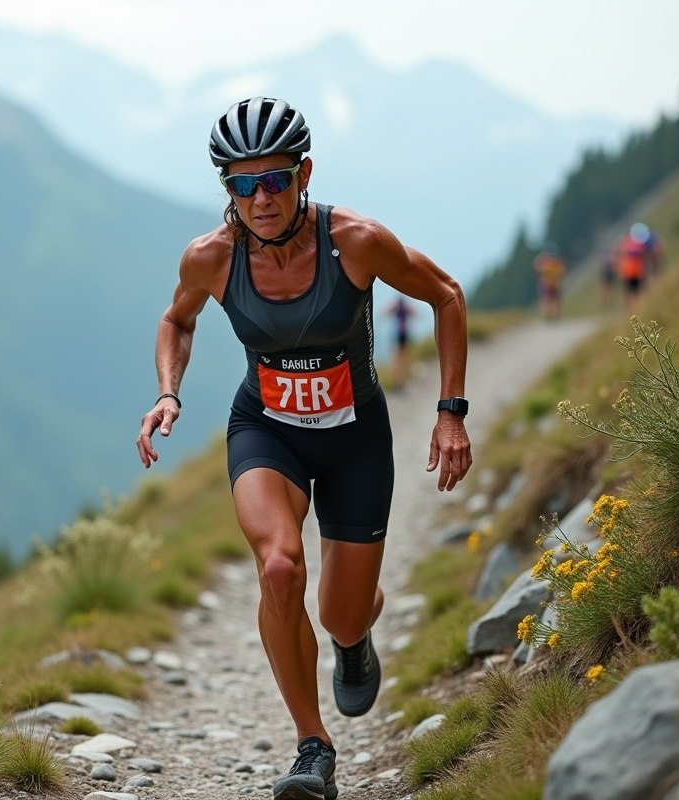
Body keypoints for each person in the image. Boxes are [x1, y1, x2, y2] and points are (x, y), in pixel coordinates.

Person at [135, 97, 472, 800]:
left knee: (340, 612)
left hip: (355, 442)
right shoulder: (210, 259)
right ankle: (312, 748)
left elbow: (445, 295)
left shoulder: (355, 241)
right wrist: (169, 392)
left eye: (275, 180)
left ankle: (355, 637)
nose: (260, 198)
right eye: (241, 183)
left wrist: (450, 413)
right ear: (225, 188)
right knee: (280, 568)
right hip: (267, 430)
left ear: (304, 174)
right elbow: (176, 321)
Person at [383, 295, 417, 389]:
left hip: (398, 334)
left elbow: (384, 313)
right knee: (403, 357)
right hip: (403, 333)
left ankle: (398, 381)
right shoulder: (404, 307)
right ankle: (400, 380)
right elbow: (416, 314)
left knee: (398, 358)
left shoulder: (397, 307)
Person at [617, 225, 649, 313]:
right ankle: (633, 310)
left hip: (632, 272)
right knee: (633, 292)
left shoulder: (626, 243)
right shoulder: (636, 243)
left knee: (631, 292)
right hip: (632, 272)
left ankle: (633, 310)